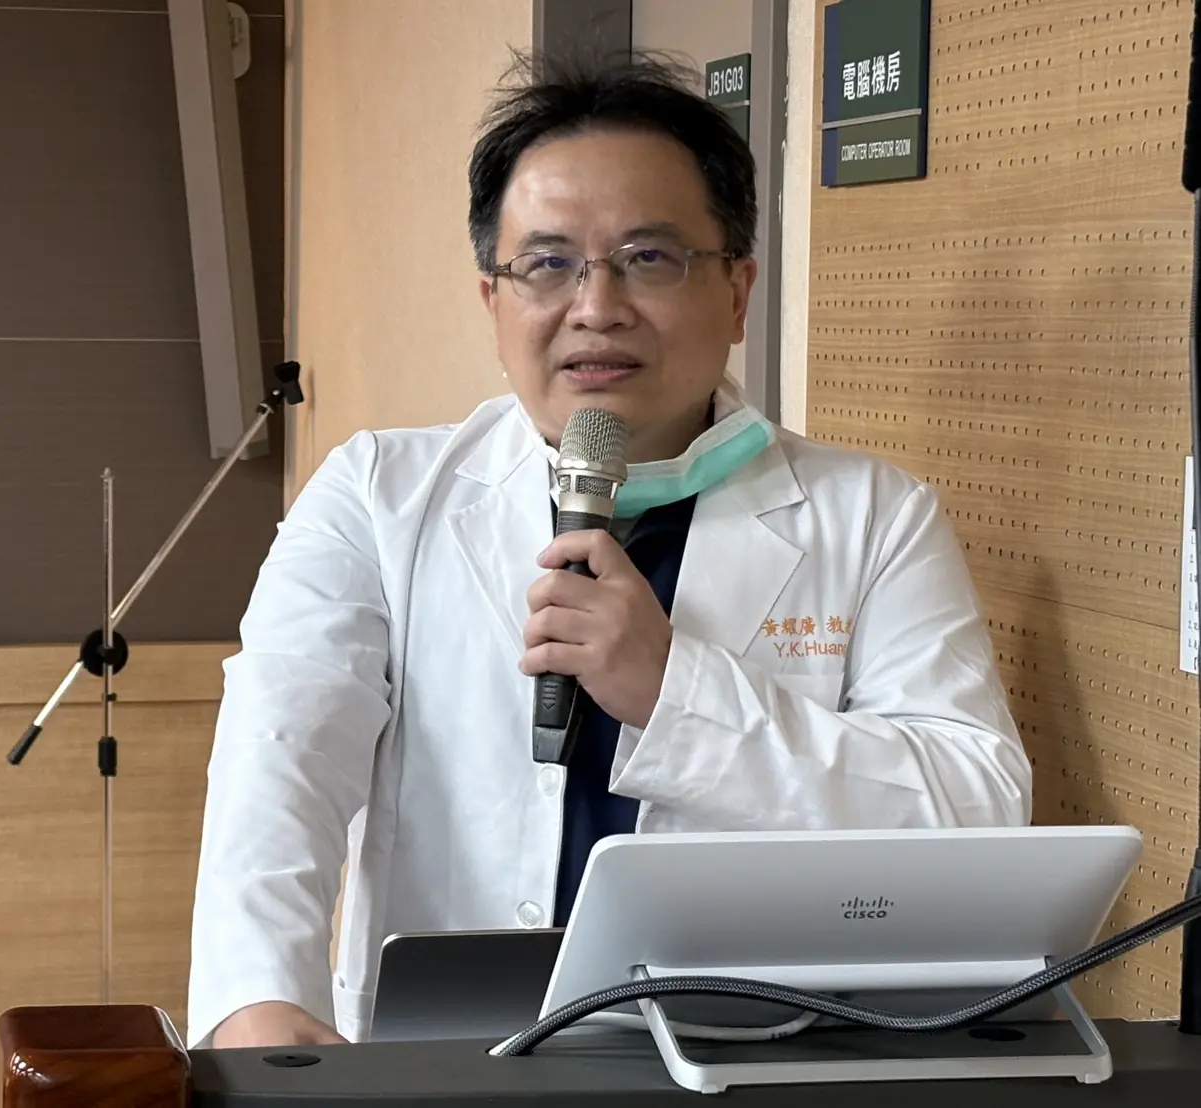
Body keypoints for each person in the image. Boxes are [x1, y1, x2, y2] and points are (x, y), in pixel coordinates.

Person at [186, 48, 1031, 1051]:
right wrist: (256, 1003)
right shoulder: (378, 496)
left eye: (649, 258)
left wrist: (679, 693)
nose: (596, 307)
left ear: (737, 292)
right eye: (547, 264)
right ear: (493, 302)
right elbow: (280, 763)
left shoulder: (873, 516)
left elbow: (978, 812)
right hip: (448, 1059)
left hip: (758, 1057)